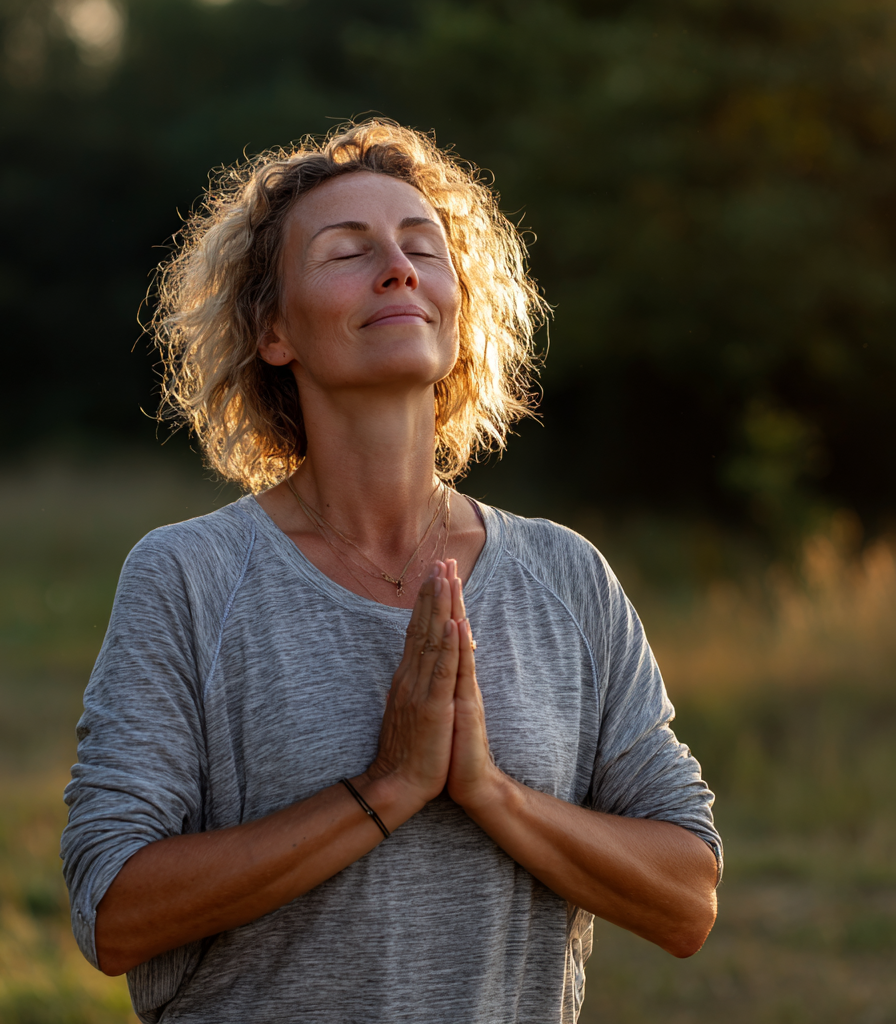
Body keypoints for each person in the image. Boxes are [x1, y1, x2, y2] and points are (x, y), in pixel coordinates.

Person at [61, 120, 721, 1024]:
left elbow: (687, 898)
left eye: (423, 247)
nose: (400, 268)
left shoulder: (566, 577)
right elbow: (114, 912)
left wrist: (486, 792)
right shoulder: (189, 576)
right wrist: (386, 789)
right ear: (274, 330)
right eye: (347, 251)